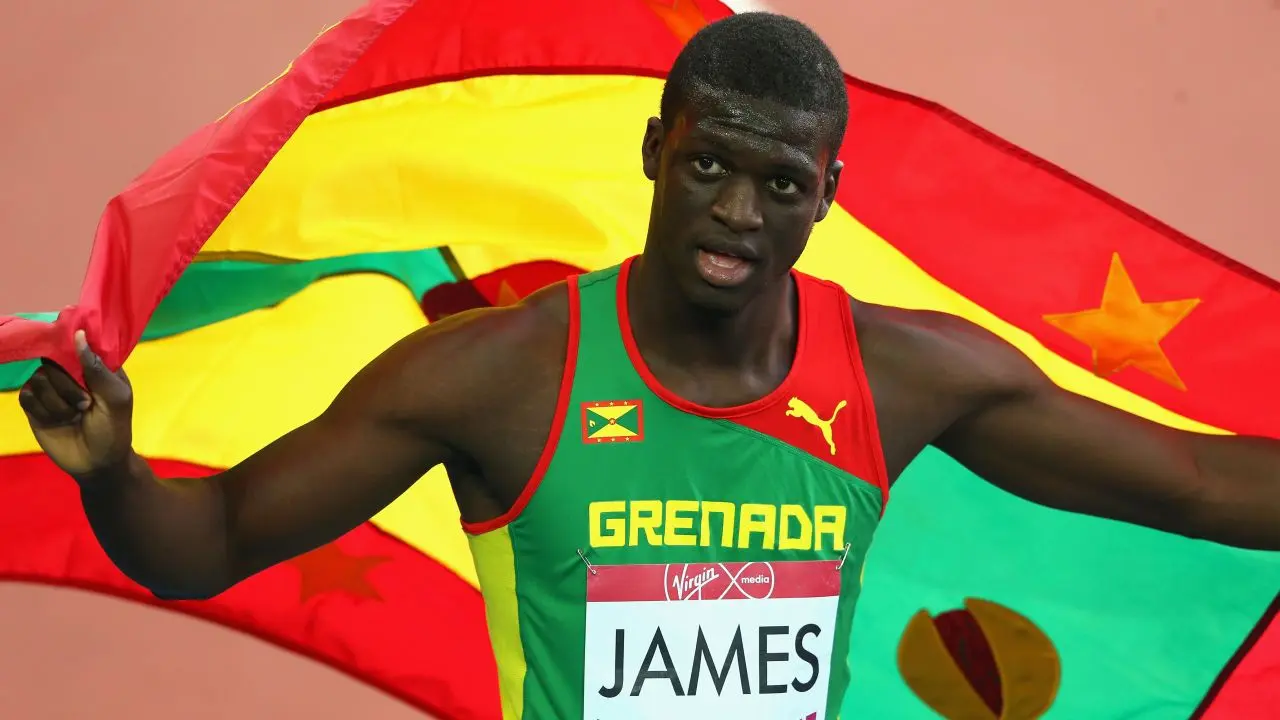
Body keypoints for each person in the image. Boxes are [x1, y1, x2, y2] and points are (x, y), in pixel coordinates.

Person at [16, 11, 1280, 720]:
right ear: (652, 152)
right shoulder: (494, 378)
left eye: (778, 183)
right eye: (707, 164)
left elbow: (1195, 489)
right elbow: (212, 539)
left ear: (825, 197)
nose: (736, 210)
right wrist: (111, 473)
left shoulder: (900, 375)